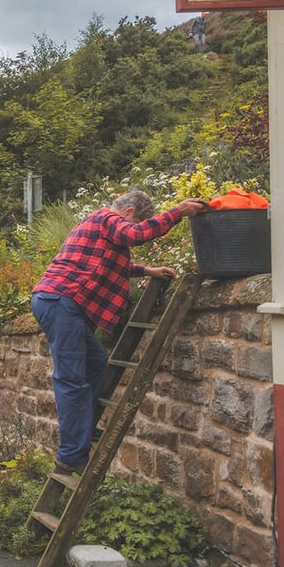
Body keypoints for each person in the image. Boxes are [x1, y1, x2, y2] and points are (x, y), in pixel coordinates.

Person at [31, 190, 207, 475]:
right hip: (62, 302)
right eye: (137, 219)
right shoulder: (107, 217)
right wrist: (178, 212)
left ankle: (81, 434)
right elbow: (134, 235)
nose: (135, 225)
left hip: (58, 301)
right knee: (71, 380)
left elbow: (110, 262)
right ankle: (71, 455)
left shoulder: (98, 227)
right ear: (127, 212)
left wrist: (147, 271)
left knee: (97, 363)